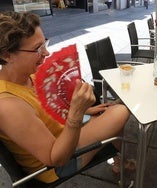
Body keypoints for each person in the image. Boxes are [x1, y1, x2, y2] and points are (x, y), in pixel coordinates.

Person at [0, 11, 133, 183]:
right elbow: (55, 158)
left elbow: (46, 112)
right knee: (120, 112)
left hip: (62, 134)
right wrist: (77, 113)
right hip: (57, 164)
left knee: (107, 112)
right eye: (37, 49)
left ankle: (120, 160)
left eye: (44, 43)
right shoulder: (8, 105)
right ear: (6, 55)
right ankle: (122, 160)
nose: (46, 53)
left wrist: (86, 109)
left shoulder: (28, 76)